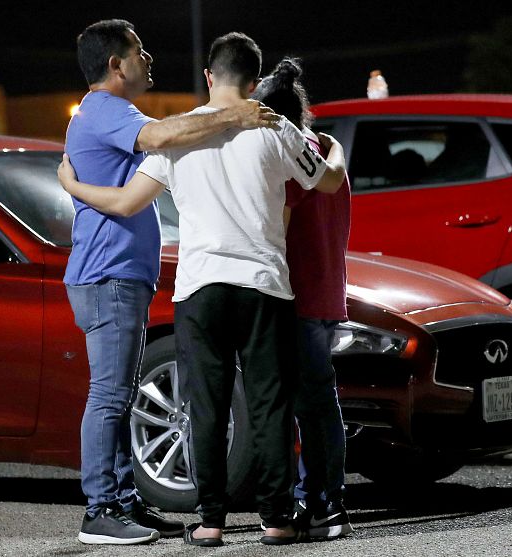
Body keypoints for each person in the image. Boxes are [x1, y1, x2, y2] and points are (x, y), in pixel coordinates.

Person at [58, 32, 347, 546]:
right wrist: (338, 155)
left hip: (198, 290)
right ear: (254, 82)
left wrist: (73, 186)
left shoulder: (181, 135)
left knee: (206, 407)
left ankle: (211, 521)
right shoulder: (275, 127)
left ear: (209, 77)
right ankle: (276, 518)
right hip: (264, 287)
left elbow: (127, 201)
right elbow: (323, 182)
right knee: (269, 405)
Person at [252, 57, 353, 539]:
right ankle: (326, 503)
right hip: (327, 294)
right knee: (320, 399)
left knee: (305, 405)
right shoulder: (326, 153)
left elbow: (278, 234)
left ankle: (320, 504)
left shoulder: (291, 161)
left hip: (296, 296)